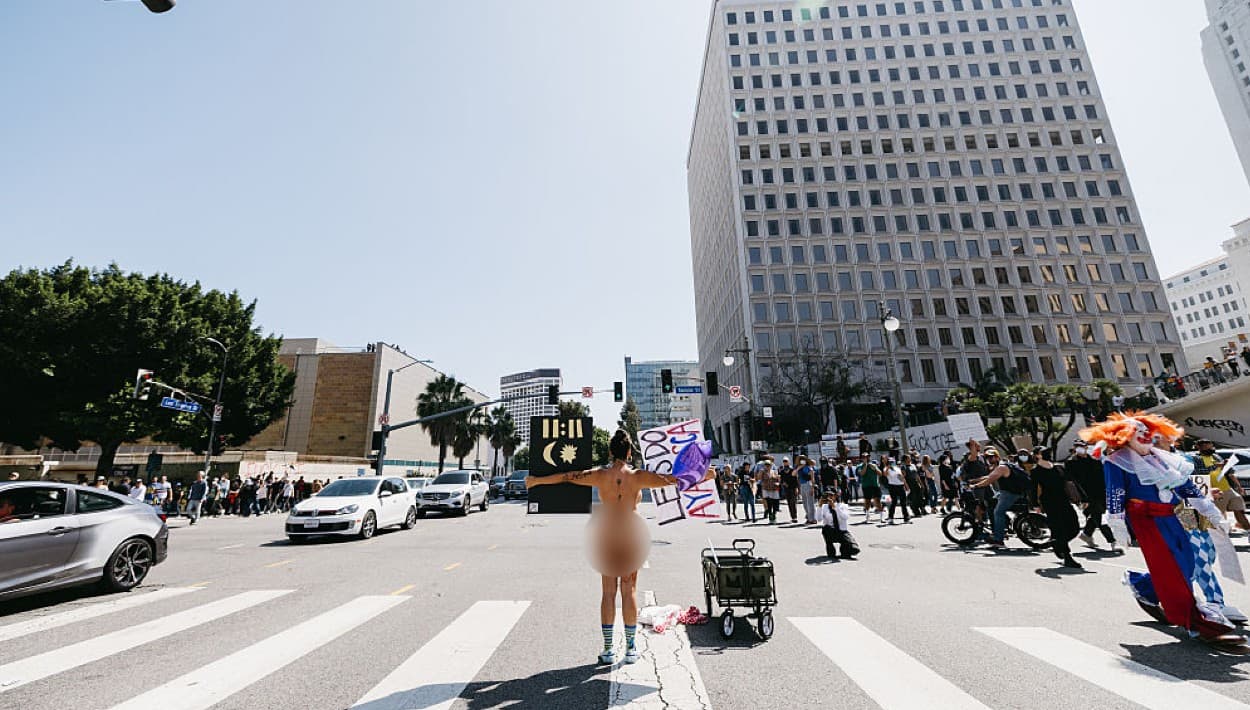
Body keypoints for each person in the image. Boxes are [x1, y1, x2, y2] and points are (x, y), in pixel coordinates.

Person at [525, 430, 713, 665]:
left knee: (607, 592)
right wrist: (704, 476)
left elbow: (567, 476)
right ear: (629, 451)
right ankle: (631, 649)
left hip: (607, 534)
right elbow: (674, 479)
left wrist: (537, 481)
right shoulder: (638, 476)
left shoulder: (599, 475)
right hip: (631, 535)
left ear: (610, 451)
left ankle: (608, 648)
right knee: (629, 591)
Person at [1083, 412, 1248, 652]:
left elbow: (1187, 488)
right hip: (1145, 520)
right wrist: (1117, 524)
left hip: (1172, 516)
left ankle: (1142, 585)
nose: (1145, 437)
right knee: (1173, 570)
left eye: (1148, 432)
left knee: (1187, 564)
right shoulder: (1116, 461)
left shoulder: (1162, 458)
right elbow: (1115, 493)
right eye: (1139, 433)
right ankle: (1198, 625)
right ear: (1125, 437)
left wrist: (1211, 512)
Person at [1030, 447, 1081, 568]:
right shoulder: (1036, 471)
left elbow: (1070, 482)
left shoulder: (1058, 467)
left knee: (1074, 527)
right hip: (1050, 502)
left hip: (1064, 500)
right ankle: (1067, 557)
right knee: (1060, 528)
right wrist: (1035, 505)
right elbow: (1033, 489)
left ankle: (1057, 543)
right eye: (1044, 452)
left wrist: (1080, 498)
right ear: (1038, 455)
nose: (1048, 453)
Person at [971, 448, 1027, 549]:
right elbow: (988, 476)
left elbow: (989, 480)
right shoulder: (999, 466)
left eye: (991, 457)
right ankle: (999, 528)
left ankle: (999, 539)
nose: (989, 459)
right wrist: (973, 480)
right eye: (987, 457)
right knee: (992, 501)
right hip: (1007, 492)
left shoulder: (1001, 467)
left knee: (998, 512)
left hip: (1010, 493)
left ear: (997, 457)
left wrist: (975, 486)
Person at [1068, 442, 1118, 551]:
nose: (1081, 450)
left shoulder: (1095, 461)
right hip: (1084, 496)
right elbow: (1072, 482)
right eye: (1078, 447)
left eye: (1082, 447)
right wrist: (1080, 499)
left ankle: (1086, 534)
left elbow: (1101, 478)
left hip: (1099, 494)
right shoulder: (1071, 463)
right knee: (1098, 517)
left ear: (1086, 448)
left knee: (1095, 516)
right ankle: (1112, 541)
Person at [1194, 440, 1250, 532]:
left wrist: (1239, 486)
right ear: (1200, 447)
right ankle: (1216, 534)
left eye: (1211, 446)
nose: (1211, 448)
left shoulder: (1216, 456)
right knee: (1218, 515)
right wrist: (1218, 465)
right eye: (1208, 447)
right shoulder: (1196, 459)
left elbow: (1230, 472)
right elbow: (1201, 472)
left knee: (1239, 509)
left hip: (1227, 488)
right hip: (1215, 491)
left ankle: (1248, 530)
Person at [817, 490, 860, 559]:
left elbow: (845, 517)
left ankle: (844, 551)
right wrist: (819, 506)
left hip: (842, 531)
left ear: (836, 496)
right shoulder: (825, 507)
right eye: (827, 496)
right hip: (831, 531)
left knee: (854, 549)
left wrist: (835, 507)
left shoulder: (843, 506)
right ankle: (831, 550)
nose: (829, 498)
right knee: (825, 529)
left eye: (831, 495)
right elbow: (819, 519)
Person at [883, 457, 910, 524]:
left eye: (892, 462)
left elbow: (902, 478)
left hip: (900, 486)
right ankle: (891, 518)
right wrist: (888, 468)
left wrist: (906, 486)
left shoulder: (897, 468)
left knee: (903, 502)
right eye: (890, 462)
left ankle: (906, 518)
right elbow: (885, 475)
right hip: (892, 486)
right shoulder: (886, 469)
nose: (891, 463)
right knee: (894, 502)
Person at [856, 454, 882, 521]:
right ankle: (867, 514)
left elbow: (880, 474)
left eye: (867, 457)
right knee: (867, 501)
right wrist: (865, 465)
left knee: (878, 500)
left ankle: (881, 517)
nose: (866, 458)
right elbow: (862, 474)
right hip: (866, 486)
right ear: (862, 458)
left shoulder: (874, 465)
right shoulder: (859, 466)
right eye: (864, 457)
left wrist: (875, 468)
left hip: (875, 485)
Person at [759, 460, 782, 524]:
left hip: (774, 489)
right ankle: (770, 517)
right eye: (766, 465)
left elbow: (778, 479)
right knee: (769, 504)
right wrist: (760, 472)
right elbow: (759, 478)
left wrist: (778, 482)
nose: (767, 466)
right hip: (766, 489)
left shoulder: (774, 471)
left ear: (771, 466)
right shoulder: (762, 472)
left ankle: (774, 515)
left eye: (769, 465)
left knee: (775, 503)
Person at [797, 456, 818, 524]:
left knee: (810, 503)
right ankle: (809, 517)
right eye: (800, 460)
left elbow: (812, 476)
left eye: (803, 460)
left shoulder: (808, 468)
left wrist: (812, 487)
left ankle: (813, 518)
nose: (801, 461)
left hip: (808, 484)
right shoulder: (799, 468)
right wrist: (800, 467)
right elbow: (794, 473)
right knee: (805, 503)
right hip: (802, 485)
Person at [778, 458, 798, 523]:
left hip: (793, 488)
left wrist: (796, 488)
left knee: (793, 502)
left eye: (786, 461)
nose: (785, 462)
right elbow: (780, 480)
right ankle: (792, 517)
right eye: (784, 461)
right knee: (789, 503)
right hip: (786, 489)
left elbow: (796, 480)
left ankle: (795, 517)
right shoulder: (782, 471)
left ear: (788, 462)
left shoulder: (792, 470)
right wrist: (783, 483)